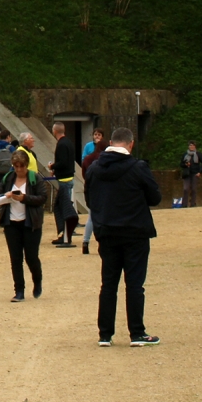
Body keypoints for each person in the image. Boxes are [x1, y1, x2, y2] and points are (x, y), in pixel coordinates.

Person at [85, 127, 162, 347]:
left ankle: (105, 334)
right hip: (134, 231)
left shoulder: (94, 168)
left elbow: (90, 200)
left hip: (107, 231)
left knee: (108, 283)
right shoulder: (138, 168)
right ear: (131, 144)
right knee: (135, 284)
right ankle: (137, 333)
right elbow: (155, 197)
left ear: (110, 142)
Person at [0, 152, 49, 301]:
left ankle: (37, 280)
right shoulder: (8, 178)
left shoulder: (35, 178)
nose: (19, 169)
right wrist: (6, 196)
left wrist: (24, 198)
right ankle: (19, 290)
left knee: (31, 257)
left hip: (31, 223)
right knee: (15, 258)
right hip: (11, 223)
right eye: (16, 166)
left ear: (26, 165)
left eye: (21, 166)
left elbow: (42, 198)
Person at [49, 123, 78, 246]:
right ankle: (65, 234)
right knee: (64, 207)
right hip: (68, 177)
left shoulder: (61, 144)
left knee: (64, 209)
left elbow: (63, 162)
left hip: (64, 180)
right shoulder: (69, 143)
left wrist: (52, 166)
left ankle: (66, 236)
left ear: (55, 131)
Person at [80, 131, 108, 254]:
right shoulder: (105, 160)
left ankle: (85, 241)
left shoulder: (87, 159)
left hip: (91, 188)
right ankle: (102, 242)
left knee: (91, 217)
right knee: (105, 217)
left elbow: (84, 174)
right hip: (103, 190)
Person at [179, 141, 202, 208]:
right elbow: (181, 164)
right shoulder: (185, 154)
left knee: (194, 189)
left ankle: (193, 203)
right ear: (188, 146)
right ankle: (184, 204)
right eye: (190, 145)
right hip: (187, 173)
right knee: (186, 189)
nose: (191, 147)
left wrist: (200, 172)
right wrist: (185, 164)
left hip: (195, 173)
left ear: (195, 146)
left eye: (193, 145)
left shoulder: (198, 154)